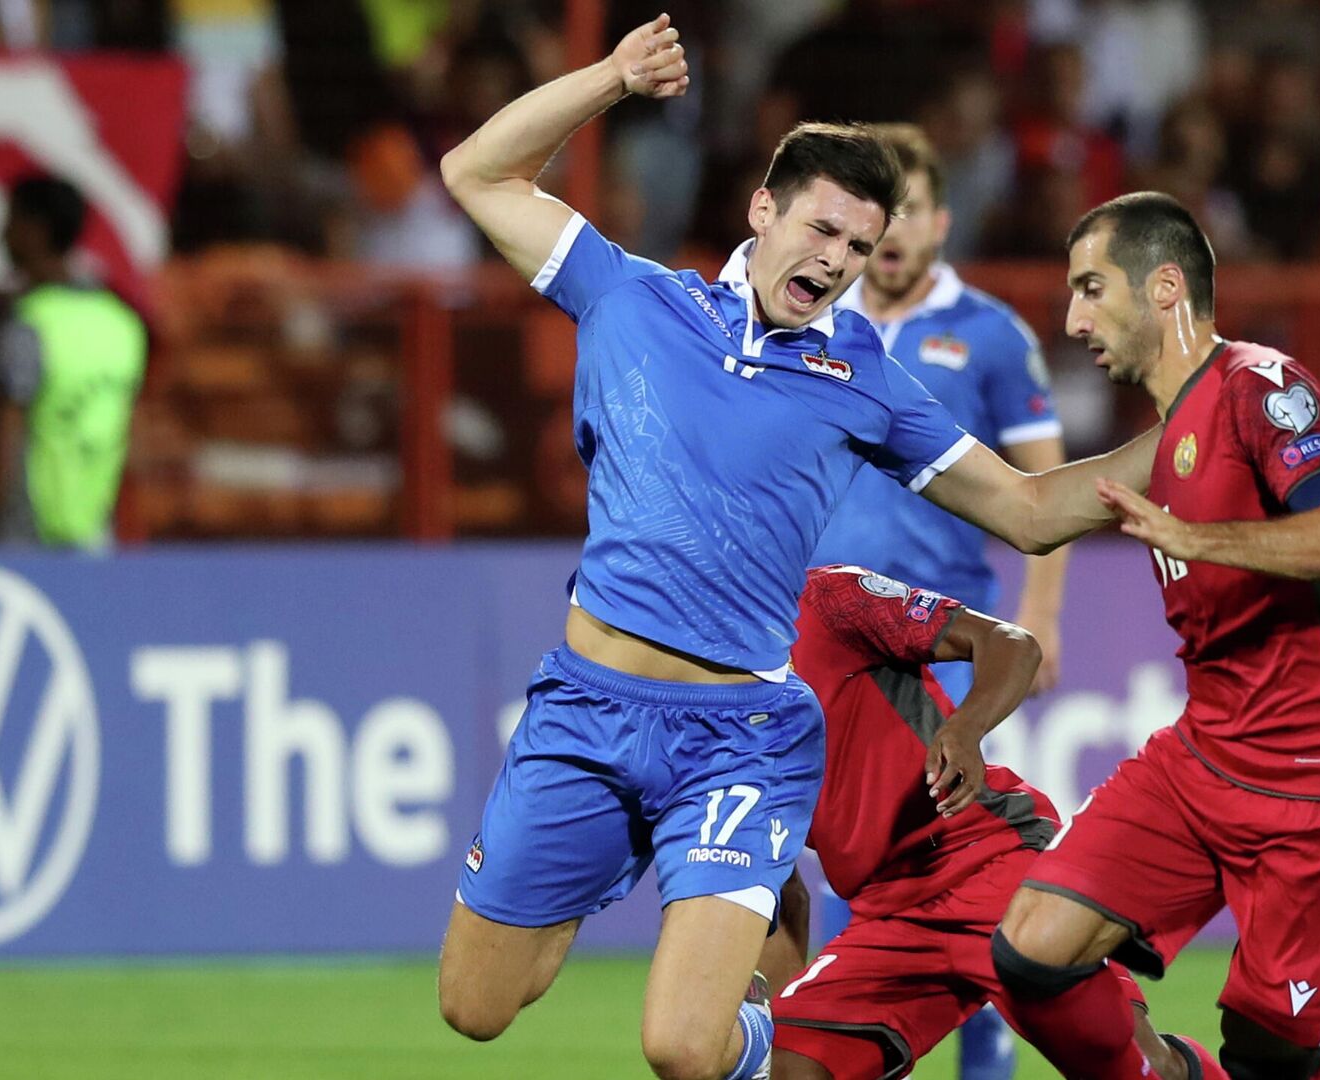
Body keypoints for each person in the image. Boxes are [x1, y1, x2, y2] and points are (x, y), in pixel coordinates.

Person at [433, 16, 1159, 1080]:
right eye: (822, 230)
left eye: (859, 249)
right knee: (478, 1005)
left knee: (683, 1049)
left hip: (737, 737)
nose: (836, 262)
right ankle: (724, 898)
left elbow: (1029, 509)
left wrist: (1192, 433)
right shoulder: (633, 298)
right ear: (761, 210)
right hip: (587, 710)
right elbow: (475, 171)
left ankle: (803, 1035)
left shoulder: (859, 374)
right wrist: (613, 78)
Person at [996, 192, 1320, 1080]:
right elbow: (1032, 511)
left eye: (1090, 288)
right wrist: (873, 422)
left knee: (1268, 1056)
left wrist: (1200, 540)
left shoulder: (1261, 390)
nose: (1073, 318)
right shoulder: (1164, 444)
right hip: (1205, 764)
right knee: (1031, 950)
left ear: (1164, 287)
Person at [810, 123, 1068, 1080]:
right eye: (883, 212)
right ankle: (850, 1037)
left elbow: (1044, 484)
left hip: (942, 645)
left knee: (947, 853)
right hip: (834, 639)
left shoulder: (992, 335)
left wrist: (1039, 620)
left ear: (940, 221)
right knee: (855, 850)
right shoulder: (820, 322)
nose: (894, 230)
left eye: (911, 209)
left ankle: (983, 1063)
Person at [763, 564, 1228, 1080]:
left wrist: (965, 728)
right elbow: (780, 886)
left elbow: (1012, 644)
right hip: (889, 912)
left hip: (993, 862)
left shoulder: (825, 598)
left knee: (1135, 1070)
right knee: (789, 1068)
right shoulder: (706, 681)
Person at [0, 174, 147, 549]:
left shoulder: (30, 324)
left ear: (35, 230)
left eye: (9, 222)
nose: (0, 237)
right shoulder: (122, 323)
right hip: (96, 531)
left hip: (27, 536)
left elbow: (9, 428)